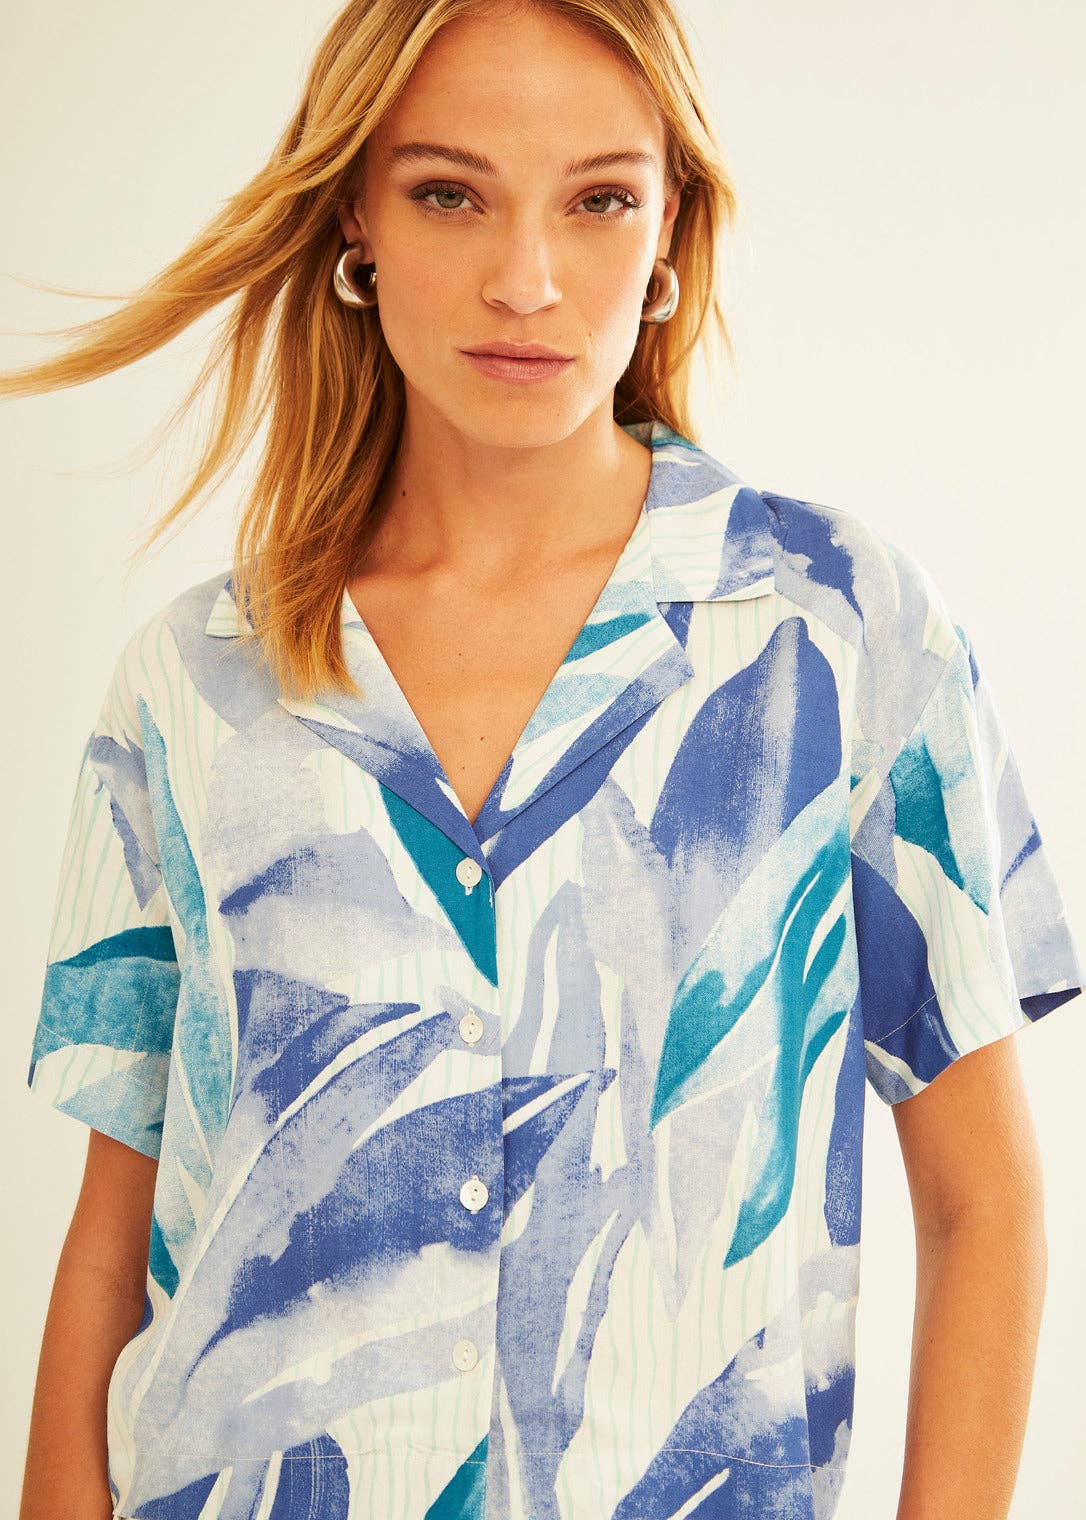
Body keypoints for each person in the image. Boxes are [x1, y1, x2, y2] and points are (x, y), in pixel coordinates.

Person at [7, 2, 1082, 1518]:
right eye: (450, 193)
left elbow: (986, 1206)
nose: (525, 279)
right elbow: (112, 1246)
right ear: (356, 221)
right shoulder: (192, 683)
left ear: (669, 231)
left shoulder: (836, 632)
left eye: (599, 200)